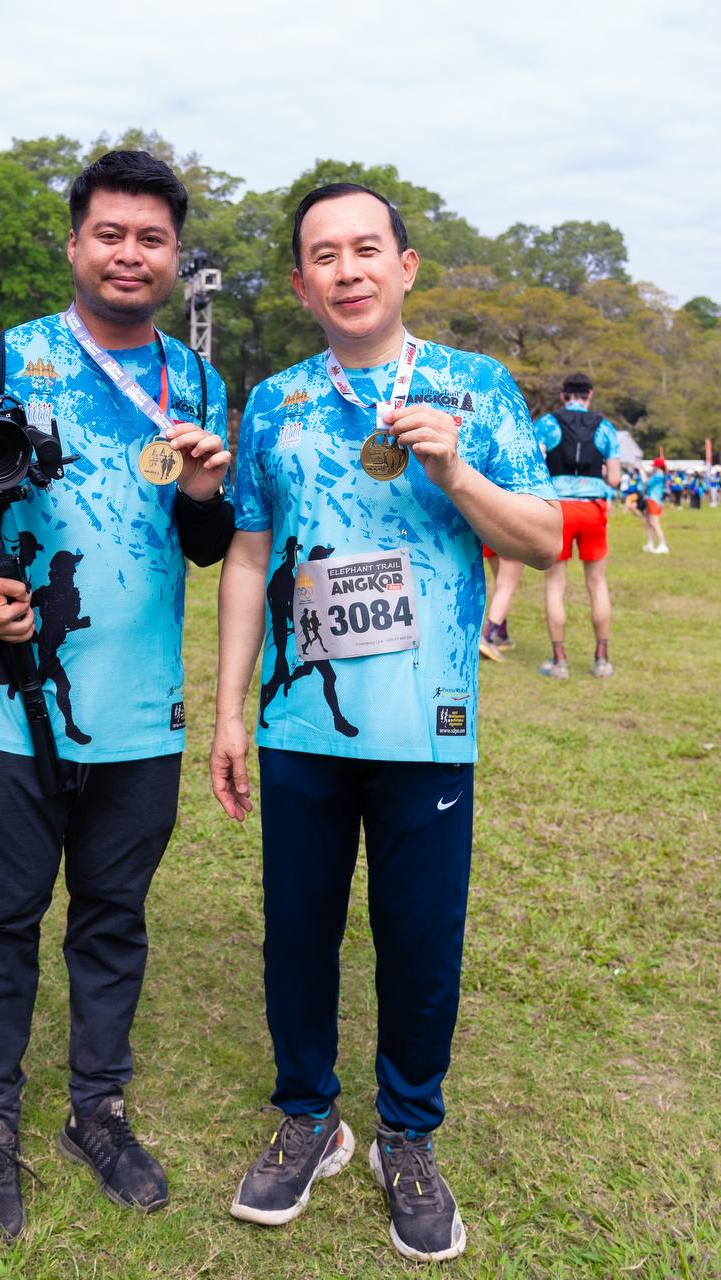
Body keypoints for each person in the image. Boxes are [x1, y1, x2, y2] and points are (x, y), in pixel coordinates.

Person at [210, 183, 560, 1263]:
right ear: (302, 282)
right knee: (297, 933)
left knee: (419, 938)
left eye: (367, 249)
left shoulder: (476, 386)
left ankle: (407, 1133)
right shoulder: (275, 401)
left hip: (427, 724)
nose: (347, 269)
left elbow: (544, 536)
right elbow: (248, 556)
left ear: (405, 266)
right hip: (300, 718)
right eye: (324, 254)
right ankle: (309, 1117)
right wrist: (227, 711)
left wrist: (455, 468)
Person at [0, 150, 233, 1250]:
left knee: (113, 916)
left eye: (152, 238)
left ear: (174, 255)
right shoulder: (2, 359)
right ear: (75, 243)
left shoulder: (195, 380)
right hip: (8, 706)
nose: (130, 254)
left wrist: (204, 493)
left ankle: (99, 1108)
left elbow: (205, 545)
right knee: (0, 920)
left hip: (141, 712)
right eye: (110, 233)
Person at [533, 373, 621, 679]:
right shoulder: (605, 427)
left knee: (555, 584)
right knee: (597, 583)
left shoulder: (547, 424)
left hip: (559, 510)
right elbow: (614, 479)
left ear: (563, 395)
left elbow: (534, 465)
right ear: (590, 395)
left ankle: (559, 662)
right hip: (592, 508)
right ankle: (602, 660)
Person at [478, 548, 523, 660]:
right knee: (506, 585)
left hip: (493, 539)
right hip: (514, 541)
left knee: (500, 582)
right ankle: (487, 637)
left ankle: (501, 635)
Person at [641, 457, 669, 553]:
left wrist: (642, 472)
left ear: (658, 466)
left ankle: (663, 545)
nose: (653, 467)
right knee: (647, 522)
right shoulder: (658, 474)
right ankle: (650, 543)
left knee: (655, 524)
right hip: (650, 500)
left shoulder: (659, 475)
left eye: (654, 465)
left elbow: (646, 483)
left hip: (654, 501)